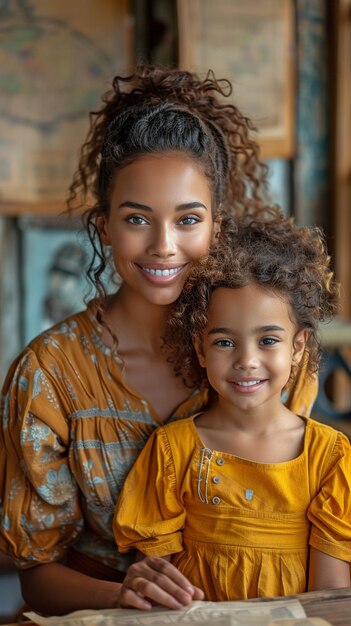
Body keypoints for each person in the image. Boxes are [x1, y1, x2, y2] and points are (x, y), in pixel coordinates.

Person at [0, 65, 317, 616]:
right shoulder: (50, 376)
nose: (164, 246)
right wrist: (124, 593)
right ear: (104, 226)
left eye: (187, 219)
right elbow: (36, 576)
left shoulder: (268, 356)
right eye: (137, 219)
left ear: (217, 225)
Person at [114, 212, 351, 602]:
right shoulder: (173, 452)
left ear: (298, 347)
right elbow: (157, 591)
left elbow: (330, 597)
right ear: (200, 349)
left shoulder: (328, 457)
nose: (246, 360)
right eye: (224, 342)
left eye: (268, 341)